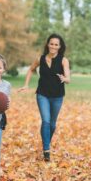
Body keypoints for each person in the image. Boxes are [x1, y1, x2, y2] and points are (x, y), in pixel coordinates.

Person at [19, 33, 70, 162]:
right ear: (48, 44)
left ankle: (46, 141)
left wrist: (65, 79)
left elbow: (68, 78)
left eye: (56, 44)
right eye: (51, 43)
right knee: (46, 121)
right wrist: (26, 84)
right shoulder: (40, 59)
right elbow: (31, 70)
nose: (53, 46)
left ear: (59, 47)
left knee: (52, 125)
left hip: (57, 96)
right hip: (42, 94)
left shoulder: (64, 60)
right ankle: (46, 149)